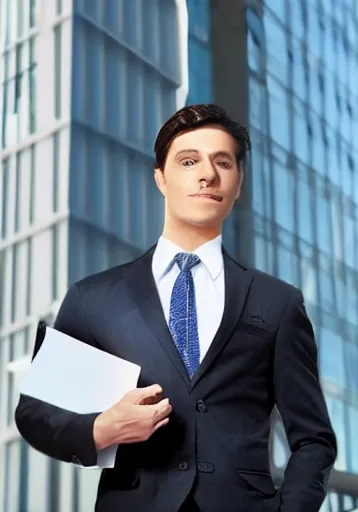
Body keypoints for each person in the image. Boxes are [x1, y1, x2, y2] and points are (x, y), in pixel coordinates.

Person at [15, 104, 337, 512]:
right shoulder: (94, 297)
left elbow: (313, 438)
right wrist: (100, 428)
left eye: (223, 162)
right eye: (189, 161)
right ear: (160, 178)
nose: (208, 174)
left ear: (238, 183)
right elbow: (35, 411)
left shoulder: (278, 302)